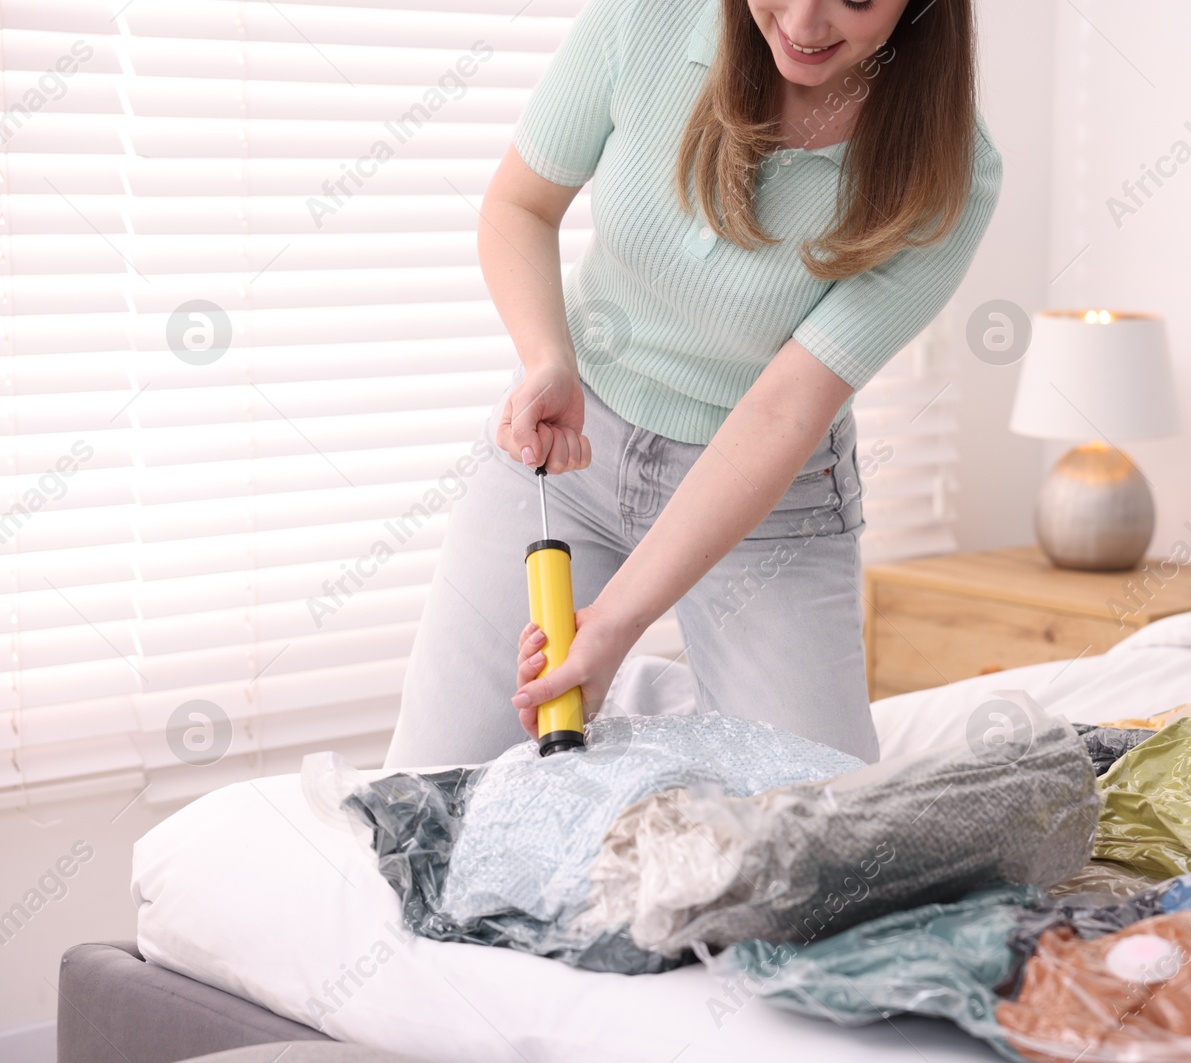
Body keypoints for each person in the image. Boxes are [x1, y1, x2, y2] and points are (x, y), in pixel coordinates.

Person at [383, 0, 1001, 768]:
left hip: (770, 495)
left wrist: (611, 627)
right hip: (572, 451)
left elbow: (786, 408)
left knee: (820, 843)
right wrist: (549, 358)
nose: (806, 25)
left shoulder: (952, 172)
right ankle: (672, 716)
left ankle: (664, 719)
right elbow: (520, 204)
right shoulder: (645, 18)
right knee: (427, 789)